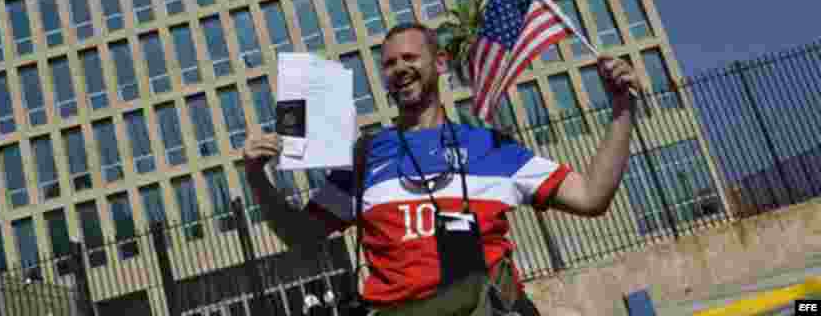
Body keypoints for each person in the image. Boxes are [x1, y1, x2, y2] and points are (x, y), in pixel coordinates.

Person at [243, 23, 637, 315]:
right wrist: (257, 178)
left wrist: (622, 108)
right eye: (390, 63)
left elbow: (591, 196)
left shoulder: (490, 146)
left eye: (410, 58)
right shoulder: (366, 156)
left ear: (440, 62)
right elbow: (300, 234)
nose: (399, 69)